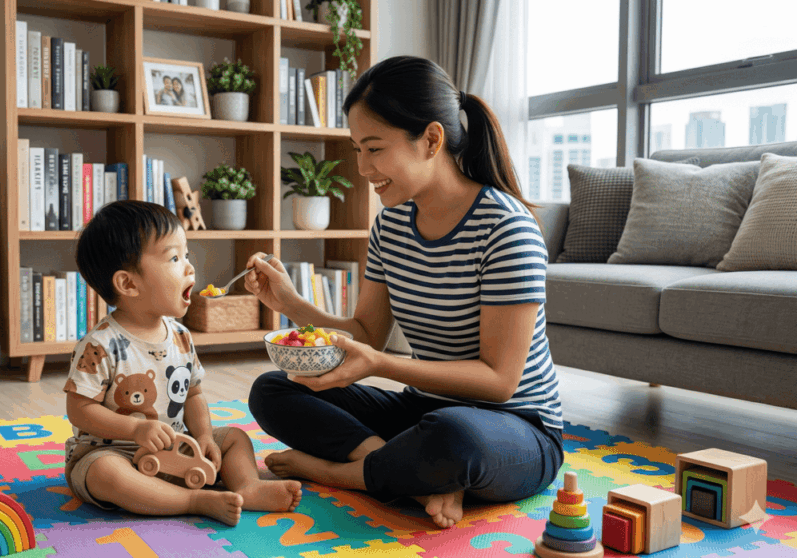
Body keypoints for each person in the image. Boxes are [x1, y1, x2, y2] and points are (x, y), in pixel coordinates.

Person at [243, 55, 563, 530]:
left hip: (515, 427)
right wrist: (290, 304)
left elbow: (500, 381)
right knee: (273, 389)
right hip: (424, 412)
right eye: (357, 149)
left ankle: (345, 473)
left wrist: (382, 365)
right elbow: (366, 334)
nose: (362, 167)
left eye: (374, 148)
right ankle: (412, 472)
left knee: (455, 437)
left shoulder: (507, 229)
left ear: (431, 139)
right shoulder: (391, 226)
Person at [66, 200, 303, 526]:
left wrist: (204, 436)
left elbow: (192, 394)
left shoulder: (180, 335)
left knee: (234, 437)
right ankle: (193, 500)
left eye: (186, 255)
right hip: (114, 452)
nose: (190, 268)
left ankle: (248, 487)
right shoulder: (99, 345)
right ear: (128, 284)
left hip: (179, 449)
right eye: (175, 258)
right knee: (105, 474)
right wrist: (135, 429)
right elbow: (79, 410)